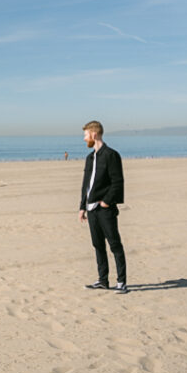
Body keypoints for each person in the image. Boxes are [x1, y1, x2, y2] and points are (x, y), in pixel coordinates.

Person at [78, 120, 127, 293]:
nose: (84, 138)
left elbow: (118, 182)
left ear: (94, 133)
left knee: (115, 245)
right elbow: (86, 185)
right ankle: (103, 280)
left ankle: (121, 282)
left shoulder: (111, 155)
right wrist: (82, 207)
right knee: (98, 245)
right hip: (91, 210)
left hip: (105, 209)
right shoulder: (90, 158)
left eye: (85, 135)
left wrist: (106, 202)